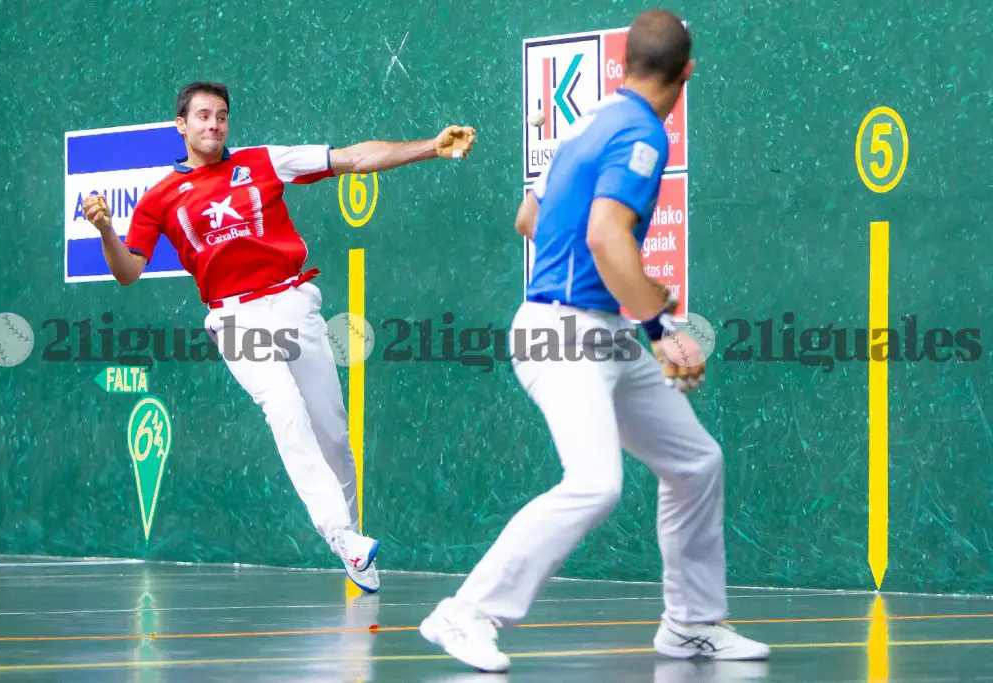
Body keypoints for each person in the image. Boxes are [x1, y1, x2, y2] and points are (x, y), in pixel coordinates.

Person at [419, 10, 768, 672]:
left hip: (597, 329)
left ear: (623, 63)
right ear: (687, 73)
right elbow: (607, 236)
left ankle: (691, 623)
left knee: (696, 461)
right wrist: (661, 327)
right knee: (596, 482)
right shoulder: (640, 132)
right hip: (564, 332)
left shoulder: (586, 123)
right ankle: (465, 613)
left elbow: (531, 218)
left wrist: (625, 291)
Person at [82, 81, 476, 594]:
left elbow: (352, 159)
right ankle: (340, 536)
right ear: (181, 125)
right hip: (233, 319)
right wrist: (107, 232)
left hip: (293, 303)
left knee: (333, 432)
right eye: (202, 116)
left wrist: (430, 146)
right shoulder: (159, 198)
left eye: (222, 116)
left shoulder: (264, 161)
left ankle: (351, 540)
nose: (214, 125)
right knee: (283, 407)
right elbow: (128, 271)